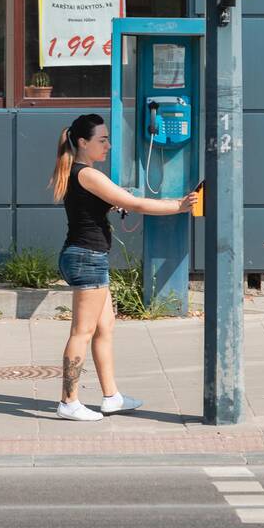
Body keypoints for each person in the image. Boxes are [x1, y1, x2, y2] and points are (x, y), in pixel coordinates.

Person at [49, 114, 198, 421]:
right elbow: (135, 204)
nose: (108, 145)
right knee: (82, 331)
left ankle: (112, 397)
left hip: (88, 256)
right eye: (102, 140)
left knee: (105, 326)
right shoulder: (87, 174)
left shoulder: (84, 173)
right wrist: (178, 206)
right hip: (86, 258)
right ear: (82, 143)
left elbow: (112, 202)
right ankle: (68, 401)